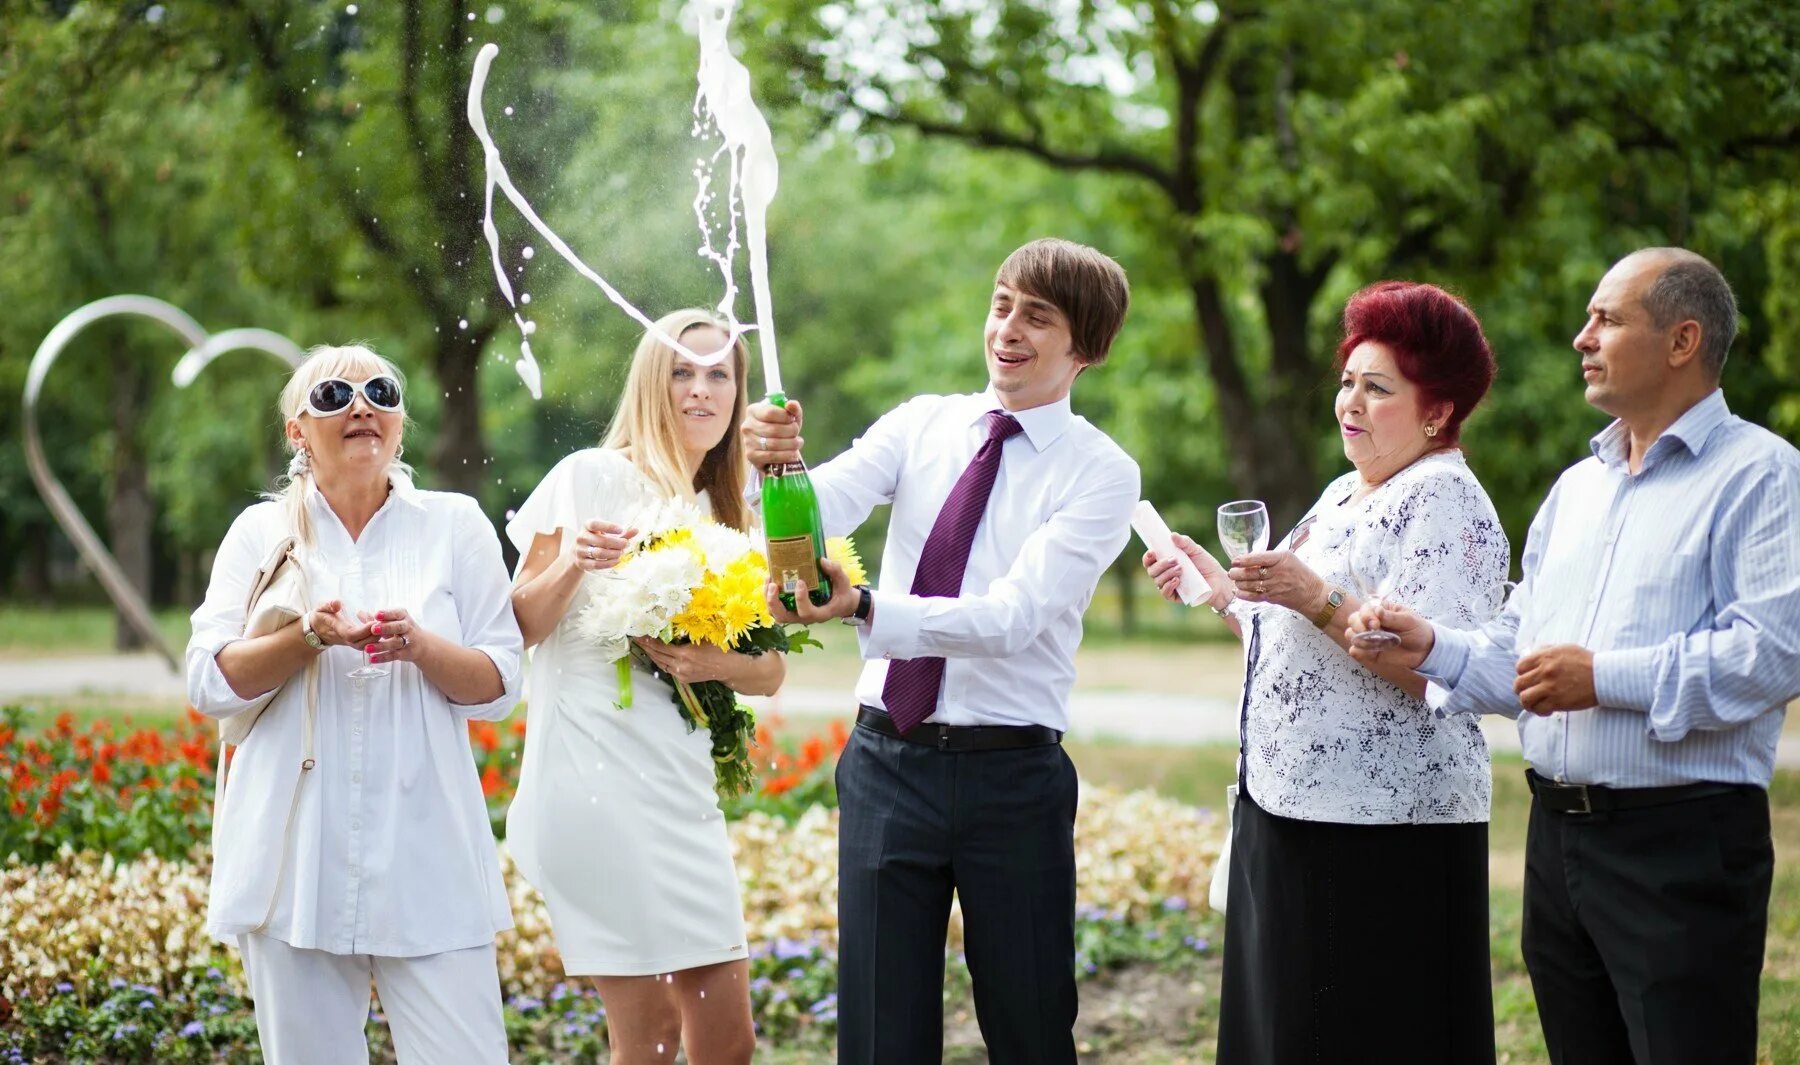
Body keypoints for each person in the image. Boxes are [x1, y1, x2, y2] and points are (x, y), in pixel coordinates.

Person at [1348, 248, 1800, 1064]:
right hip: (1557, 844)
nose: (1579, 338)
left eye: (1606, 318)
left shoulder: (1762, 477)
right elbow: (1524, 654)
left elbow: (1769, 657)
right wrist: (1434, 646)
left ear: (1682, 339)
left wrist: (1602, 679)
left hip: (1681, 844)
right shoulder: (1576, 489)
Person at [744, 237, 1140, 1064]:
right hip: (888, 762)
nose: (1008, 329)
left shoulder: (1101, 473)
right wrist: (768, 466)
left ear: (1086, 348)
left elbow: (1013, 617)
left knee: (1030, 1026)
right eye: (1002, 305)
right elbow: (819, 509)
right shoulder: (920, 423)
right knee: (882, 1034)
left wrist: (869, 609)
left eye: (1038, 316)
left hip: (1013, 780)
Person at [1145, 281, 1507, 1062]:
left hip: (1381, 834)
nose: (1350, 400)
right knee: (1284, 1031)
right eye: (1348, 380)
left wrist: (1314, 596)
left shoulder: (1446, 498)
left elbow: (1441, 673)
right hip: (1289, 810)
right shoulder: (1349, 488)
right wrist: (1224, 592)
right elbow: (1308, 639)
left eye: (1377, 388)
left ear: (1438, 411)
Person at [187, 345, 523, 1063]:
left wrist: (422, 647)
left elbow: (500, 682)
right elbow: (209, 682)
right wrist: (307, 636)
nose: (362, 404)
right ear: (297, 431)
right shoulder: (260, 531)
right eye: (334, 394)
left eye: (381, 390)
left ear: (400, 422)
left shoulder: (455, 524)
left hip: (429, 853)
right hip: (295, 862)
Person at [505, 309, 779, 1065]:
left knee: (728, 1042)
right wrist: (575, 564)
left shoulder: (730, 510)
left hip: (681, 788)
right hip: (594, 779)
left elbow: (771, 669)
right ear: (651, 384)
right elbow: (516, 627)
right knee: (652, 1036)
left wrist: (710, 664)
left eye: (718, 373)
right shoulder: (590, 477)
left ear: (737, 390)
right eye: (681, 372)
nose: (700, 389)